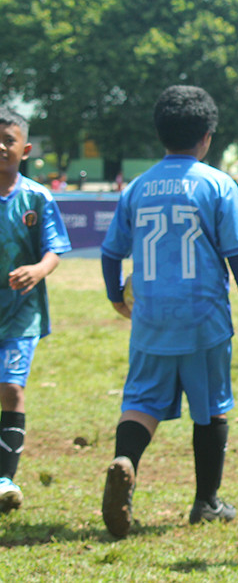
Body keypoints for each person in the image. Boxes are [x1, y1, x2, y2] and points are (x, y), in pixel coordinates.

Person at [99, 85, 238, 539]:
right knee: (210, 410)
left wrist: (117, 297)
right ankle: (206, 502)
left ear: (160, 134)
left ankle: (125, 461)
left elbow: (111, 253)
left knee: (141, 402)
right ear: (207, 137)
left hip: (151, 318)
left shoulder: (138, 187)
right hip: (203, 319)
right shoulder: (217, 184)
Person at [0, 107, 72, 513]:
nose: (0, 147)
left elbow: (54, 249)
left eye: (8, 140)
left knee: (11, 389)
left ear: (24, 149)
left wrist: (38, 270)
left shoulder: (36, 196)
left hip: (21, 312)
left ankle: (5, 478)